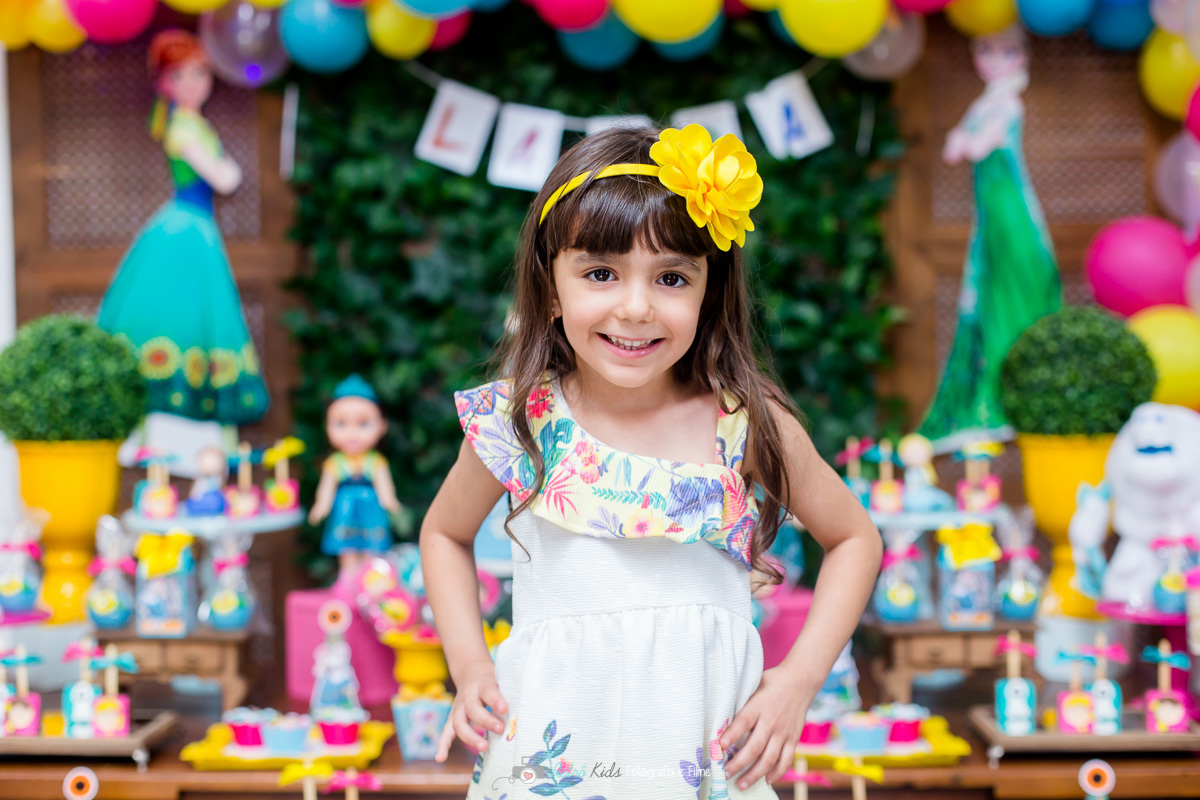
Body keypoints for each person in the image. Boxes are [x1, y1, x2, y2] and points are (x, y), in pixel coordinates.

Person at [420, 125, 882, 799]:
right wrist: (469, 666)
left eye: (670, 277)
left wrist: (800, 679)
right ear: (550, 289)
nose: (635, 307)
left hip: (698, 768)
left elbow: (855, 538)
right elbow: (443, 533)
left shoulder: (745, 425)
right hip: (549, 765)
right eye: (600, 273)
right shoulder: (519, 422)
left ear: (707, 292)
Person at [96, 29, 268, 426]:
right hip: (185, 229)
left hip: (196, 226)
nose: (191, 84)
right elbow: (226, 179)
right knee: (179, 315)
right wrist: (227, 167)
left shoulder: (192, 124)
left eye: (198, 74)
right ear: (163, 83)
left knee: (197, 315)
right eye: (180, 76)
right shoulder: (183, 129)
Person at [919, 24, 1062, 452]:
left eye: (1004, 51)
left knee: (1018, 291)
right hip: (991, 218)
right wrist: (964, 139)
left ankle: (1017, 390)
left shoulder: (1009, 104)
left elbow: (974, 147)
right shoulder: (987, 103)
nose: (992, 59)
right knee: (990, 294)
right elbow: (953, 149)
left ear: (1020, 57)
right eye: (985, 49)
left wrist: (966, 138)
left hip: (1011, 212)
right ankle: (994, 392)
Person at [309, 375, 403, 587]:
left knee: (372, 544)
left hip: (371, 508)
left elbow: (385, 486)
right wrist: (321, 506)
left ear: (382, 426)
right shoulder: (335, 463)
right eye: (341, 424)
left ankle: (371, 579)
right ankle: (348, 578)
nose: (352, 433)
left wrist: (390, 501)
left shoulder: (376, 461)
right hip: (345, 508)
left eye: (363, 424)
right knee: (347, 546)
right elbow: (326, 488)